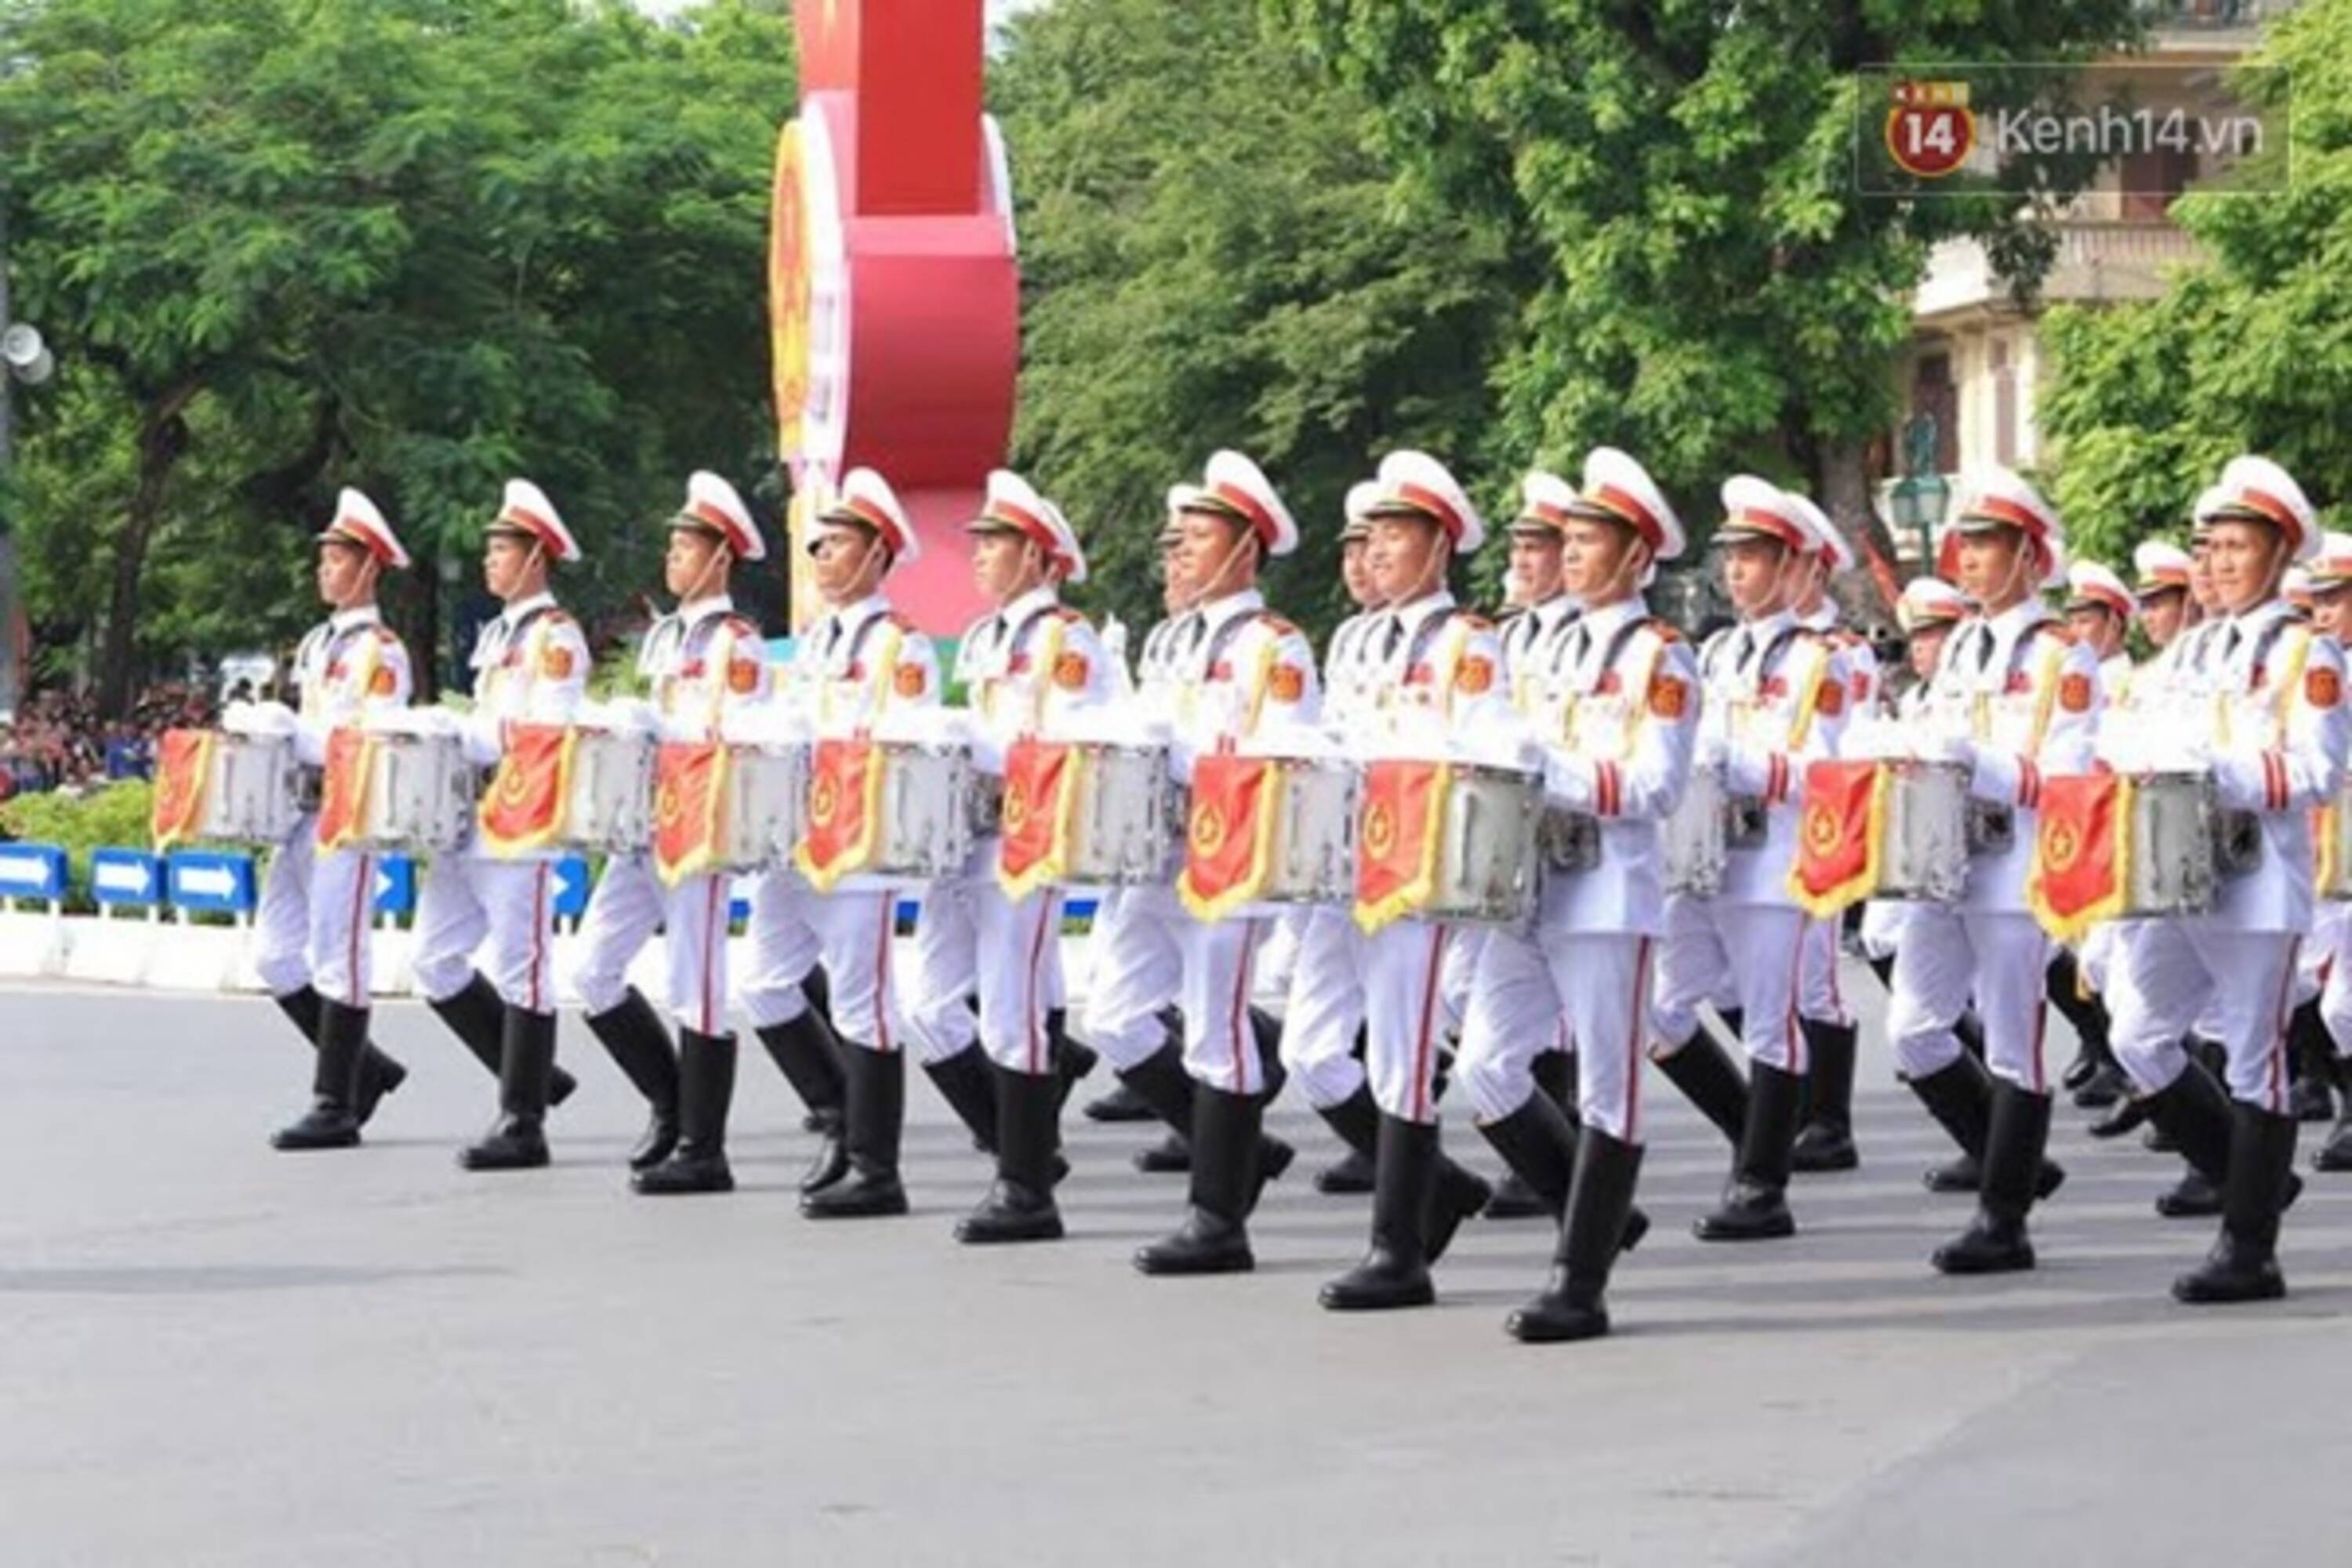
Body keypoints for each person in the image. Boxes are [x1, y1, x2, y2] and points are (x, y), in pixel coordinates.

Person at [1455, 447, 1697, 1341]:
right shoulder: (1543, 641)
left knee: (1608, 1086)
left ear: (1637, 556)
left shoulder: (1658, 657)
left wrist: (1554, 773)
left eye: (1594, 540)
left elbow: (1657, 786)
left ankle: (1580, 1278)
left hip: (1605, 886)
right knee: (1485, 1064)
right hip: (1527, 886)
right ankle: (1597, 1213)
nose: (1574, 553)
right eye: (1571, 538)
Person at [2103, 459, 2348, 1302]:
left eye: (2236, 547)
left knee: (2256, 1058)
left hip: (2254, 877)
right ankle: (2251, 1175)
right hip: (2174, 867)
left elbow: (2317, 770)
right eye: (2207, 547)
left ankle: (2250, 1247)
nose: (2214, 563)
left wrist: (2223, 771)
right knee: (2137, 1033)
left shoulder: (2303, 652)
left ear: (2280, 553)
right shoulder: (2187, 649)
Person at [1095, 452, 1317, 1275]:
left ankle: (1218, 1215)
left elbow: (1276, 755)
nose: (1178, 552)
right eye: (1175, 540)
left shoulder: (1274, 647)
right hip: (1160, 853)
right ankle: (1241, 1149)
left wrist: (1185, 758)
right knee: (1119, 1016)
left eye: (1197, 538)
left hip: (1229, 854)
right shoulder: (1171, 638)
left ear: (1245, 548)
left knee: (1218, 1031)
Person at [1304, 449, 1502, 1312]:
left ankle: (1400, 1249)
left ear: (1440, 546)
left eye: (1397, 533)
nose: (1377, 548)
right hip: (1350, 862)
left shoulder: (1466, 641)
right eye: (1373, 533)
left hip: (1420, 868)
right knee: (1311, 1049)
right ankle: (1437, 1189)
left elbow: (1480, 747)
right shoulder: (1354, 636)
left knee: (1403, 1055)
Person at [1883, 469, 2094, 1274]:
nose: (1969, 560)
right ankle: (2015, 1162)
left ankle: (2003, 1218)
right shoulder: (1964, 642)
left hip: (2014, 862)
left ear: (2029, 556)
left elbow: (2068, 773)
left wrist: (1986, 764)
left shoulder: (2060, 656)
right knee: (1914, 1027)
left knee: (2015, 1042)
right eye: (1966, 544)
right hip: (1944, 858)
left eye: (1988, 545)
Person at [902, 470, 1114, 1242]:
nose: (980, 555)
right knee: (929, 1008)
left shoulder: (1067, 638)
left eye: (995, 543)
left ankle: (1026, 1187)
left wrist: (981, 746)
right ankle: (1021, 1145)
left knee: (1012, 1017)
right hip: (969, 839)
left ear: (1037, 554)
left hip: (1027, 842)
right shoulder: (990, 636)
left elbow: (1069, 743)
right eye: (980, 542)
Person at [739, 468, 941, 1218]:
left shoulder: (900, 647)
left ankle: (876, 1167)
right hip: (798, 836)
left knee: (864, 1005)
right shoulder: (817, 640)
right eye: (820, 545)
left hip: (861, 841)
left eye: (840, 545)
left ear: (878, 555)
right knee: (763, 982)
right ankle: (836, 1114)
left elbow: (908, 742)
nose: (823, 557)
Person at [409, 480, 591, 1170]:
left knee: (524, 969)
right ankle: (535, 1076)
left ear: (536, 557)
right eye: (488, 549)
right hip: (474, 814)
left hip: (524, 813)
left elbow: (549, 726)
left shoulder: (555, 636)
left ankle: (524, 1119)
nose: (489, 561)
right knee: (435, 960)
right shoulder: (498, 632)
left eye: (502, 550)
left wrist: (473, 732)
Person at [623, 472, 778, 1196]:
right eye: (673, 546)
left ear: (721, 558)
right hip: (650, 820)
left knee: (699, 982)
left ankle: (702, 1145)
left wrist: (671, 732)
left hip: (703, 824)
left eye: (687, 547)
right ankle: (670, 1101)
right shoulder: (665, 635)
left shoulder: (735, 643)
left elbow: (737, 736)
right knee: (592, 969)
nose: (673, 559)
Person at [259, 489, 417, 1150]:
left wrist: (297, 735)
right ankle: (367, 1069)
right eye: (322, 559)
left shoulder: (381, 651)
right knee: (274, 955)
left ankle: (335, 1102)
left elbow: (366, 737)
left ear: (367, 569)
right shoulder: (319, 643)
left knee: (337, 955)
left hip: (348, 813)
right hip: (302, 810)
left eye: (336, 560)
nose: (324, 571)